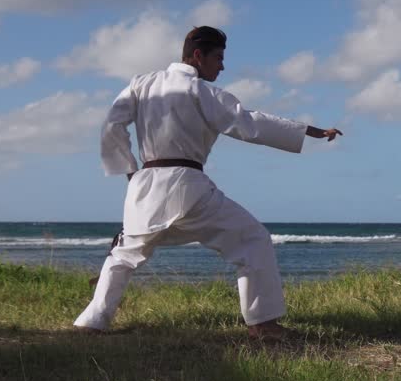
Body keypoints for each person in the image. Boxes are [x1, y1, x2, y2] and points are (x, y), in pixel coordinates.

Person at [75, 26, 342, 339]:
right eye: (218, 58)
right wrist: (309, 130)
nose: (222, 66)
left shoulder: (140, 84)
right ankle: (263, 324)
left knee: (124, 255)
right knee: (253, 239)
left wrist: (130, 169)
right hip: (188, 188)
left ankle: (91, 323)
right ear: (198, 56)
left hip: (144, 188)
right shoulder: (201, 92)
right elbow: (250, 123)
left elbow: (112, 125)